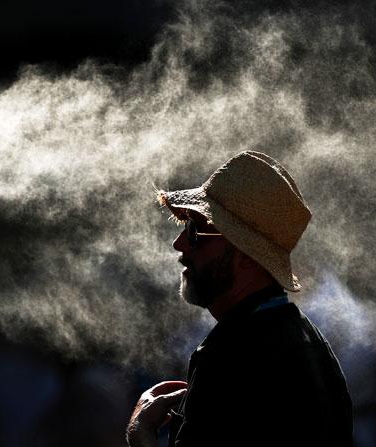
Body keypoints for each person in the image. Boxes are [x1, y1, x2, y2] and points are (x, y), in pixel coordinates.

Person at [126, 151, 353, 446]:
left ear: (246, 256)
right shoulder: (310, 342)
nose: (179, 243)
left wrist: (140, 434)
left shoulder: (228, 355)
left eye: (196, 231)